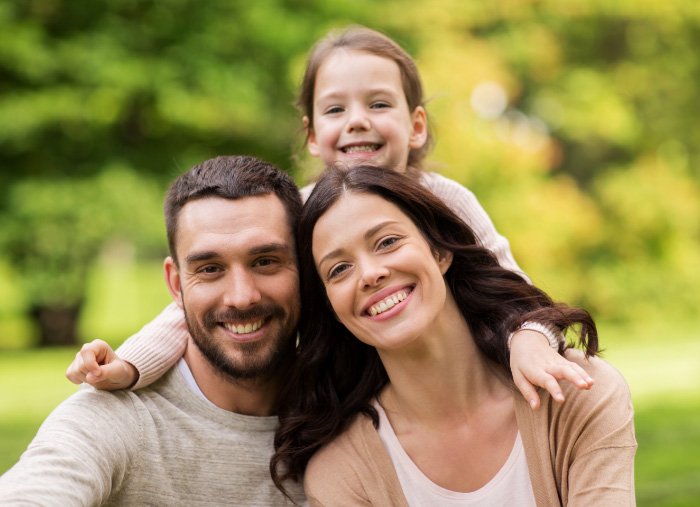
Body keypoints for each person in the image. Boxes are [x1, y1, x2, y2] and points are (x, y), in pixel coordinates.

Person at [66, 25, 593, 407]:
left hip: (458, 388)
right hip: (354, 395)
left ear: (415, 125)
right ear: (313, 135)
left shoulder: (445, 200)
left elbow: (514, 290)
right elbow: (199, 301)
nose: (357, 121)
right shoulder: (300, 212)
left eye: (379, 104)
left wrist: (531, 339)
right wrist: (132, 364)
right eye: (336, 109)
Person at [271, 164, 637, 506]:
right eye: (339, 269)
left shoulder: (576, 395)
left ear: (440, 251)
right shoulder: (343, 474)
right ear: (331, 307)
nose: (369, 273)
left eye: (386, 242)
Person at [0, 156, 306, 506]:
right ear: (176, 284)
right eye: (210, 268)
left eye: (265, 261)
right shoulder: (116, 418)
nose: (241, 297)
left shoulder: (350, 405)